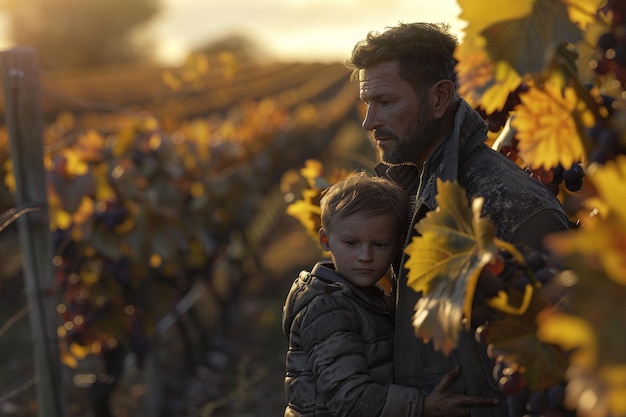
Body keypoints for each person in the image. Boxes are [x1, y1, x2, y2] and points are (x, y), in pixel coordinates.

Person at [345, 22, 571, 417]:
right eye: (367, 104)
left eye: (385, 102)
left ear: (439, 99)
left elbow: (554, 377)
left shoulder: (512, 208)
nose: (369, 121)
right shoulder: (412, 191)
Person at [282, 172, 423, 417]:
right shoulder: (327, 308)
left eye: (379, 244)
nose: (365, 256)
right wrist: (422, 406)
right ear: (325, 240)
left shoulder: (361, 298)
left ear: (399, 244)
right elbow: (349, 398)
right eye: (351, 243)